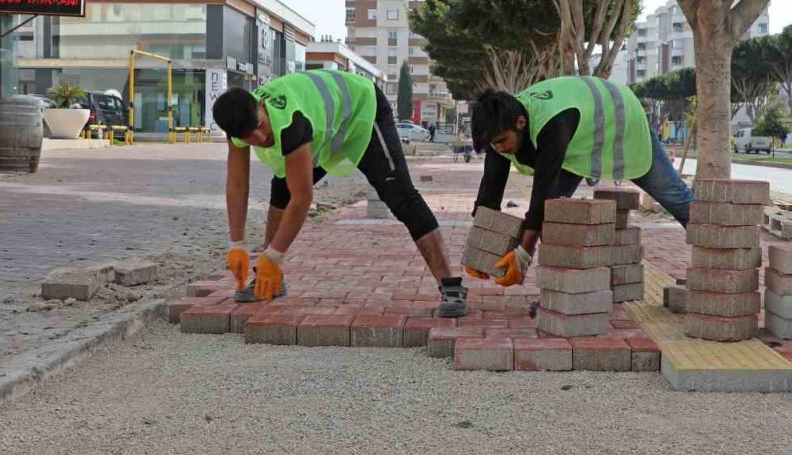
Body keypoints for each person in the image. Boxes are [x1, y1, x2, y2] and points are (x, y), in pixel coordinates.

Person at [213, 69, 468, 317]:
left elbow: (303, 199)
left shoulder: (291, 121)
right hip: (327, 128)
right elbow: (236, 184)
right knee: (282, 191)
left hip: (361, 111)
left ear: (261, 106)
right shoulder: (238, 120)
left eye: (259, 126)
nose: (259, 138)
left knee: (400, 196)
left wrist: (273, 254)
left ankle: (451, 286)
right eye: (248, 137)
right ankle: (270, 279)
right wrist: (237, 244)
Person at [469, 76, 694, 288]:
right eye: (493, 145)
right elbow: (491, 187)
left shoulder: (551, 121)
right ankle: (565, 288)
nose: (498, 149)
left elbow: (542, 191)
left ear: (521, 122)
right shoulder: (500, 127)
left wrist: (523, 254)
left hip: (621, 123)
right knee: (556, 217)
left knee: (675, 197)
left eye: (501, 142)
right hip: (579, 142)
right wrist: (480, 246)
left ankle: (716, 262)